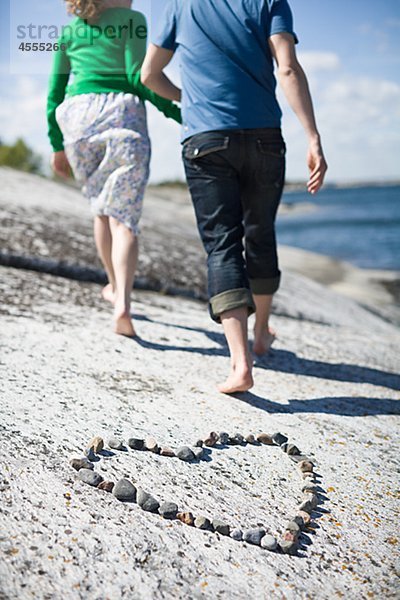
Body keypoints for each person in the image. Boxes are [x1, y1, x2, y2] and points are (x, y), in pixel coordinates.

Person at [141, 0, 327, 394]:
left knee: (222, 245)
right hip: (264, 137)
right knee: (260, 233)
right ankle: (261, 333)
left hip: (204, 140)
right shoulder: (269, 2)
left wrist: (187, 99)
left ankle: (241, 365)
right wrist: (312, 136)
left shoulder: (179, 6)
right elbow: (288, 67)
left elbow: (149, 74)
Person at [47, 0, 181, 337]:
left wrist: (56, 145)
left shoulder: (69, 31)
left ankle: (112, 285)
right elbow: (139, 76)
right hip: (120, 115)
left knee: (100, 210)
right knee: (124, 219)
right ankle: (123, 302)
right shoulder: (132, 20)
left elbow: (54, 92)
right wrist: (179, 110)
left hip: (77, 121)